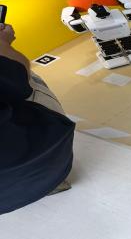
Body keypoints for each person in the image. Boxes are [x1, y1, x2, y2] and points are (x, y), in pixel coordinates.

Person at [0, 22, 75, 214]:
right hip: (35, 171)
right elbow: (18, 78)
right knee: (27, 79)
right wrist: (3, 45)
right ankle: (52, 182)